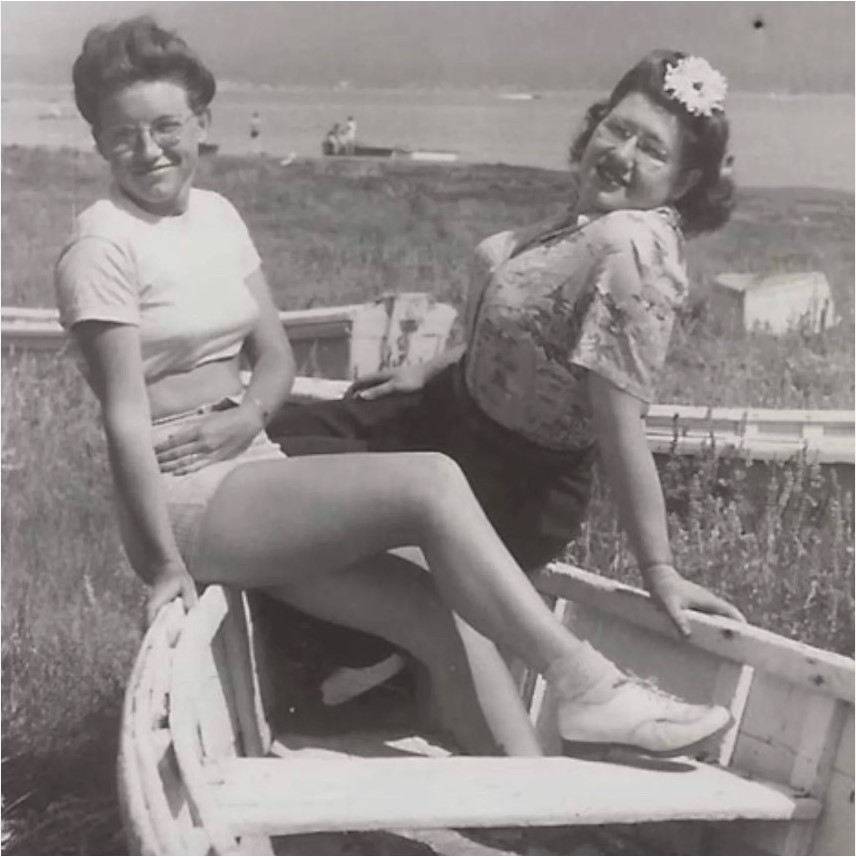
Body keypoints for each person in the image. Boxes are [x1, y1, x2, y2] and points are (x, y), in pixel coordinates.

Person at [55, 17, 735, 763]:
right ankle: (590, 686)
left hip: (251, 457)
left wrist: (247, 414)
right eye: (125, 135)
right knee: (431, 482)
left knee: (426, 609)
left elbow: (275, 356)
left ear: (201, 123)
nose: (150, 150)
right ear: (97, 142)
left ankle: (540, 820)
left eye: (166, 126)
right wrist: (162, 568)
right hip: (182, 489)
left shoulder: (216, 215)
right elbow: (122, 419)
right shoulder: (101, 244)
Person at [270, 47, 746, 713]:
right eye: (618, 128)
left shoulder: (632, 249)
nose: (622, 154)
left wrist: (659, 569)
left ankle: (380, 653)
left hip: (511, 480)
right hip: (440, 416)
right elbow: (520, 328)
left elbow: (619, 423)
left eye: (652, 150)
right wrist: (427, 366)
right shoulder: (581, 225)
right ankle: (377, 654)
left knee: (286, 489)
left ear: (686, 180)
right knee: (275, 445)